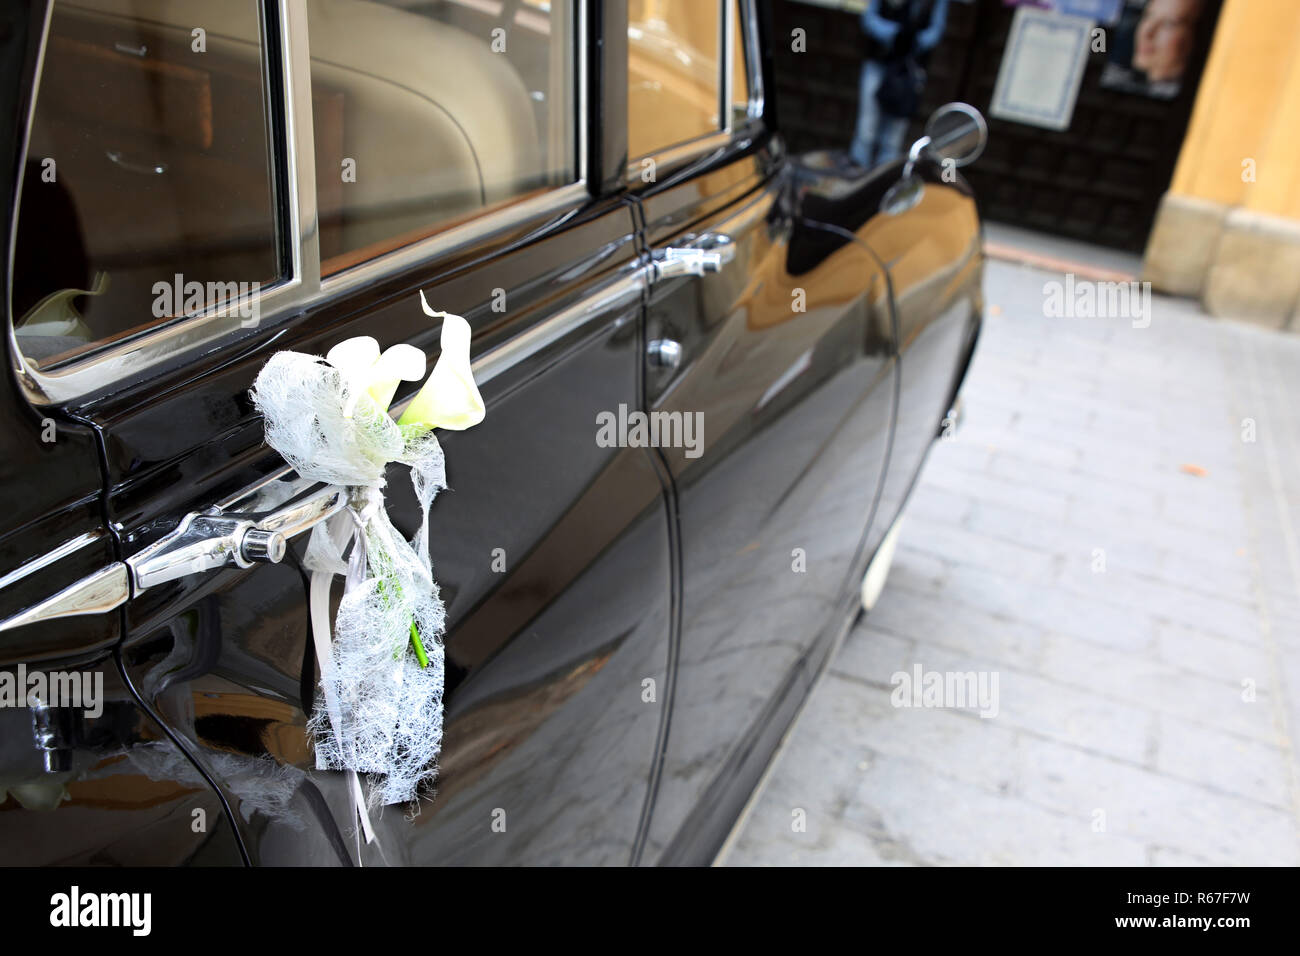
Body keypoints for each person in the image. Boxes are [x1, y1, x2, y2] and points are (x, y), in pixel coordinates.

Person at [848, 0, 950, 170]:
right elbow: (869, 19)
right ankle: (856, 175)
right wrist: (895, 34)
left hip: (910, 69)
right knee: (866, 127)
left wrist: (914, 40)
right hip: (880, 61)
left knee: (893, 136)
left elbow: (936, 31)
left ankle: (882, 180)